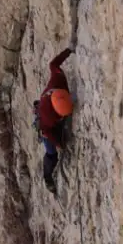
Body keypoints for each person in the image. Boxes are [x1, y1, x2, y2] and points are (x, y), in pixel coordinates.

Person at [34, 47, 74, 193]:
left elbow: (53, 65)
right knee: (52, 154)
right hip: (44, 125)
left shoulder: (58, 81)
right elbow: (46, 131)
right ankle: (47, 177)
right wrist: (59, 144)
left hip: (50, 111)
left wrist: (67, 52)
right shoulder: (48, 118)